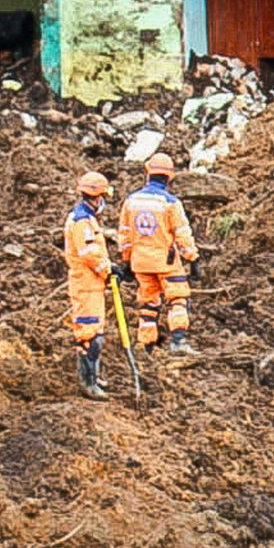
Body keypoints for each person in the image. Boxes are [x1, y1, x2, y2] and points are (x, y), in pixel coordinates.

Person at [118, 153, 199, 354]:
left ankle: (147, 346)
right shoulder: (170, 203)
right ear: (169, 177)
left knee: (148, 303)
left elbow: (125, 235)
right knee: (177, 299)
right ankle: (178, 341)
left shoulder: (131, 201)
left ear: (148, 173)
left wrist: (127, 261)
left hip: (140, 262)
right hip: (166, 262)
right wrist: (192, 257)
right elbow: (182, 233)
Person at [64, 171, 115, 399]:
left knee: (96, 331)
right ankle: (87, 382)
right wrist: (108, 270)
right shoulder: (81, 221)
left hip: (92, 283)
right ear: (97, 196)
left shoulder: (86, 218)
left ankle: (93, 374)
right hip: (85, 284)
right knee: (89, 334)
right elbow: (90, 254)